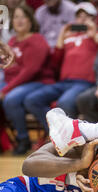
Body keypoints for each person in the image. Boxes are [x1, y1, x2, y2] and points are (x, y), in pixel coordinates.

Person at [24, 2, 98, 139]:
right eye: (79, 16)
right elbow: (55, 62)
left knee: (64, 103)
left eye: (87, 16)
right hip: (64, 82)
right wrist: (61, 35)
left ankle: (65, 139)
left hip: (84, 83)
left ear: (94, 19)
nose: (82, 19)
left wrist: (95, 35)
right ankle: (57, 135)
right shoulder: (68, 36)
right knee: (32, 100)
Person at [1, 4, 54, 155]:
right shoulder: (11, 41)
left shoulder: (37, 40)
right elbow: (7, 67)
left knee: (11, 98)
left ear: (30, 21)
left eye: (23, 17)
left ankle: (23, 139)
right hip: (16, 81)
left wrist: (5, 89)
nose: (19, 20)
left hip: (37, 82)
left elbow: (30, 71)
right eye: (16, 17)